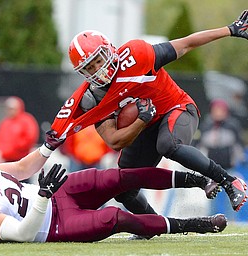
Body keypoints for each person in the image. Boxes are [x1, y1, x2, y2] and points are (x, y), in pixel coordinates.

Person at [50, 10, 248, 219]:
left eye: (98, 61)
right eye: (89, 68)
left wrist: (230, 30)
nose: (98, 70)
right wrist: (140, 121)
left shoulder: (137, 56)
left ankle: (229, 181)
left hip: (177, 109)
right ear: (83, 73)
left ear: (109, 50)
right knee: (124, 189)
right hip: (145, 126)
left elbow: (187, 43)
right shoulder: (93, 98)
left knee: (168, 145)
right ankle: (153, 226)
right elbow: (114, 141)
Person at [0, 134, 227, 243]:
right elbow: (22, 235)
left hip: (57, 193)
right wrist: (43, 197)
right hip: (53, 225)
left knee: (117, 177)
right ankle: (194, 225)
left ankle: (200, 179)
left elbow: (21, 169)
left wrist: (49, 146)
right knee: (115, 218)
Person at [195, 98, 246, 219]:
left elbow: (239, 145)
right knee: (212, 195)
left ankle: (232, 220)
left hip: (229, 168)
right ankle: (211, 219)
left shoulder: (232, 126)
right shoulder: (206, 126)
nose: (218, 112)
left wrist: (241, 159)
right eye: (215, 110)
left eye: (220, 110)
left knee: (232, 195)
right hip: (212, 169)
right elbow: (198, 145)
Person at [0, 96, 40, 182]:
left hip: (22, 160)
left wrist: (14, 149)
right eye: (8, 108)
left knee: (24, 186)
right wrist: (3, 151)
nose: (10, 111)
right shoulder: (5, 122)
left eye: (12, 108)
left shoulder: (26, 120)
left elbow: (30, 138)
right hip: (7, 161)